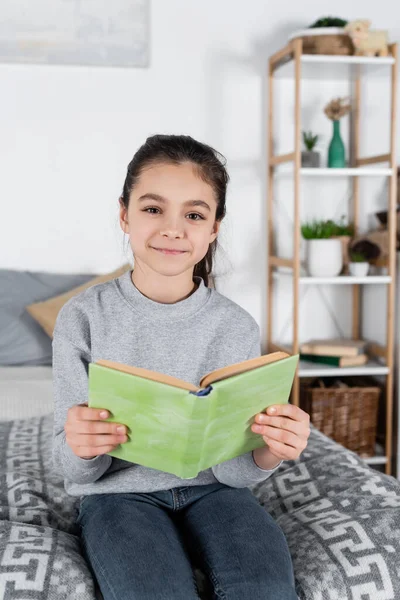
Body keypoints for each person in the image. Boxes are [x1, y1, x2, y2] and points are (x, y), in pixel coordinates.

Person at [52, 134, 310, 600]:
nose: (174, 229)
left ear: (213, 228)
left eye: (194, 214)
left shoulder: (236, 326)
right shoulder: (83, 318)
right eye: (153, 209)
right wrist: (84, 446)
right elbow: (75, 470)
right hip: (116, 498)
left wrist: (270, 450)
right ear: (125, 215)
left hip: (219, 494)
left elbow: (234, 471)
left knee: (267, 590)